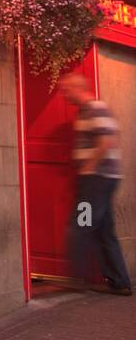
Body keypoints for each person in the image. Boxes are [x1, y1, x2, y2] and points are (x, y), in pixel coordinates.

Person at [58, 73, 132, 295]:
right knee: (104, 230)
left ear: (77, 88)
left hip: (96, 180)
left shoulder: (95, 108)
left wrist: (89, 166)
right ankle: (120, 283)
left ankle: (77, 279)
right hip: (100, 180)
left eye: (66, 90)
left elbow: (107, 140)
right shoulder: (85, 112)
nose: (64, 95)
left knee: (80, 225)